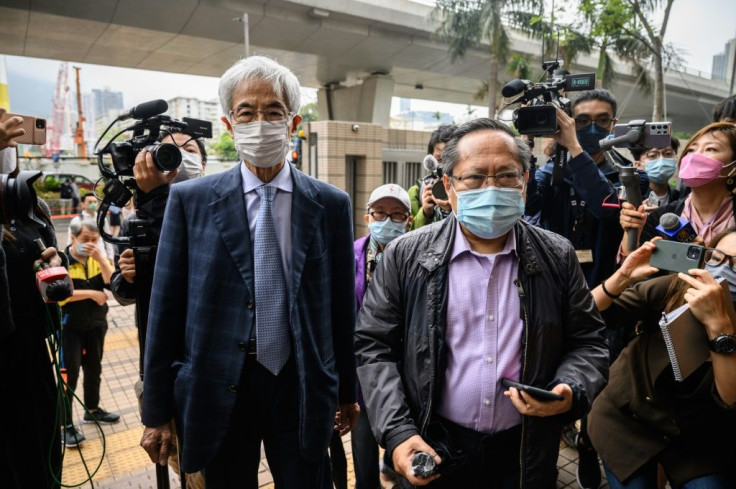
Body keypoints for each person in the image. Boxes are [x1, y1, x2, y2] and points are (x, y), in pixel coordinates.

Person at [139, 56, 359, 489]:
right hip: (216, 383)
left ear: (293, 121)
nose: (261, 121)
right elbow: (165, 309)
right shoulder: (190, 201)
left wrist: (347, 391)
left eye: (273, 111)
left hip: (299, 384)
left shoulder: (331, 204)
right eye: (247, 112)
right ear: (228, 123)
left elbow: (339, 309)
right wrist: (156, 411)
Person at [355, 118, 609, 489]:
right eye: (475, 177)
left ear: (524, 181)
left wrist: (570, 389)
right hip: (433, 442)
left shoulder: (557, 255)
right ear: (449, 185)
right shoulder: (406, 255)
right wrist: (397, 431)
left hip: (523, 451)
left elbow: (588, 341)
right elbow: (374, 346)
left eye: (506, 176)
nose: (492, 188)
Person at [586, 233, 736, 488]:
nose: (723, 269)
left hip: (696, 436)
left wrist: (719, 325)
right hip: (627, 417)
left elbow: (730, 397)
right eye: (718, 258)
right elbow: (590, 312)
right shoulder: (677, 286)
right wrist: (622, 277)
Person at [109, 126, 208, 489]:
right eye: (168, 150)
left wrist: (156, 201)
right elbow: (122, 292)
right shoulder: (136, 220)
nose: (179, 154)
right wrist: (127, 276)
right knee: (178, 463)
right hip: (160, 367)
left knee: (206, 471)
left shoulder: (213, 208)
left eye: (189, 148)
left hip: (205, 367)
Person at [1, 118, 65, 488]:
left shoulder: (30, 201)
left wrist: (56, 266)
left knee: (42, 459)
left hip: (33, 356)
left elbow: (55, 261)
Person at [352, 184, 413, 489]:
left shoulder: (419, 258)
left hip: (406, 370)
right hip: (362, 373)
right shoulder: (350, 255)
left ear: (409, 220)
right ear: (368, 216)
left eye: (397, 214)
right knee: (362, 446)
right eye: (380, 213)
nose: (387, 220)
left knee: (403, 443)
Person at [620, 122, 736, 257]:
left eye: (710, 149)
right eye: (691, 150)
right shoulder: (660, 218)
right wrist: (632, 232)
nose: (694, 156)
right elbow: (635, 270)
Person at [59, 220, 119, 447]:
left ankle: (92, 410)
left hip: (96, 325)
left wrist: (102, 259)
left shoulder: (97, 260)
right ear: (73, 238)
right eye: (86, 240)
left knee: (94, 369)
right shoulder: (62, 261)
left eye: (95, 240)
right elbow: (61, 296)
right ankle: (65, 426)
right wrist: (92, 294)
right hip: (70, 328)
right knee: (69, 376)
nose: (91, 244)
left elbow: (111, 283)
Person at [409, 124, 455, 230]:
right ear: (430, 161)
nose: (445, 166)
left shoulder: (471, 190)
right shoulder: (417, 192)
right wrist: (425, 213)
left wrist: (455, 209)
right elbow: (409, 238)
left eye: (451, 159)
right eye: (439, 160)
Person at [631, 137, 682, 210]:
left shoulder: (681, 198)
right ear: (637, 165)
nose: (661, 160)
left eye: (668, 153)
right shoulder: (631, 199)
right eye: (653, 155)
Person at [67, 193, 113, 258]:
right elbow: (70, 241)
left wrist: (110, 257)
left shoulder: (102, 219)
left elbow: (108, 239)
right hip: (82, 257)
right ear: (82, 205)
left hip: (101, 256)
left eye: (95, 202)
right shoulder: (76, 220)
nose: (93, 204)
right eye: (90, 202)